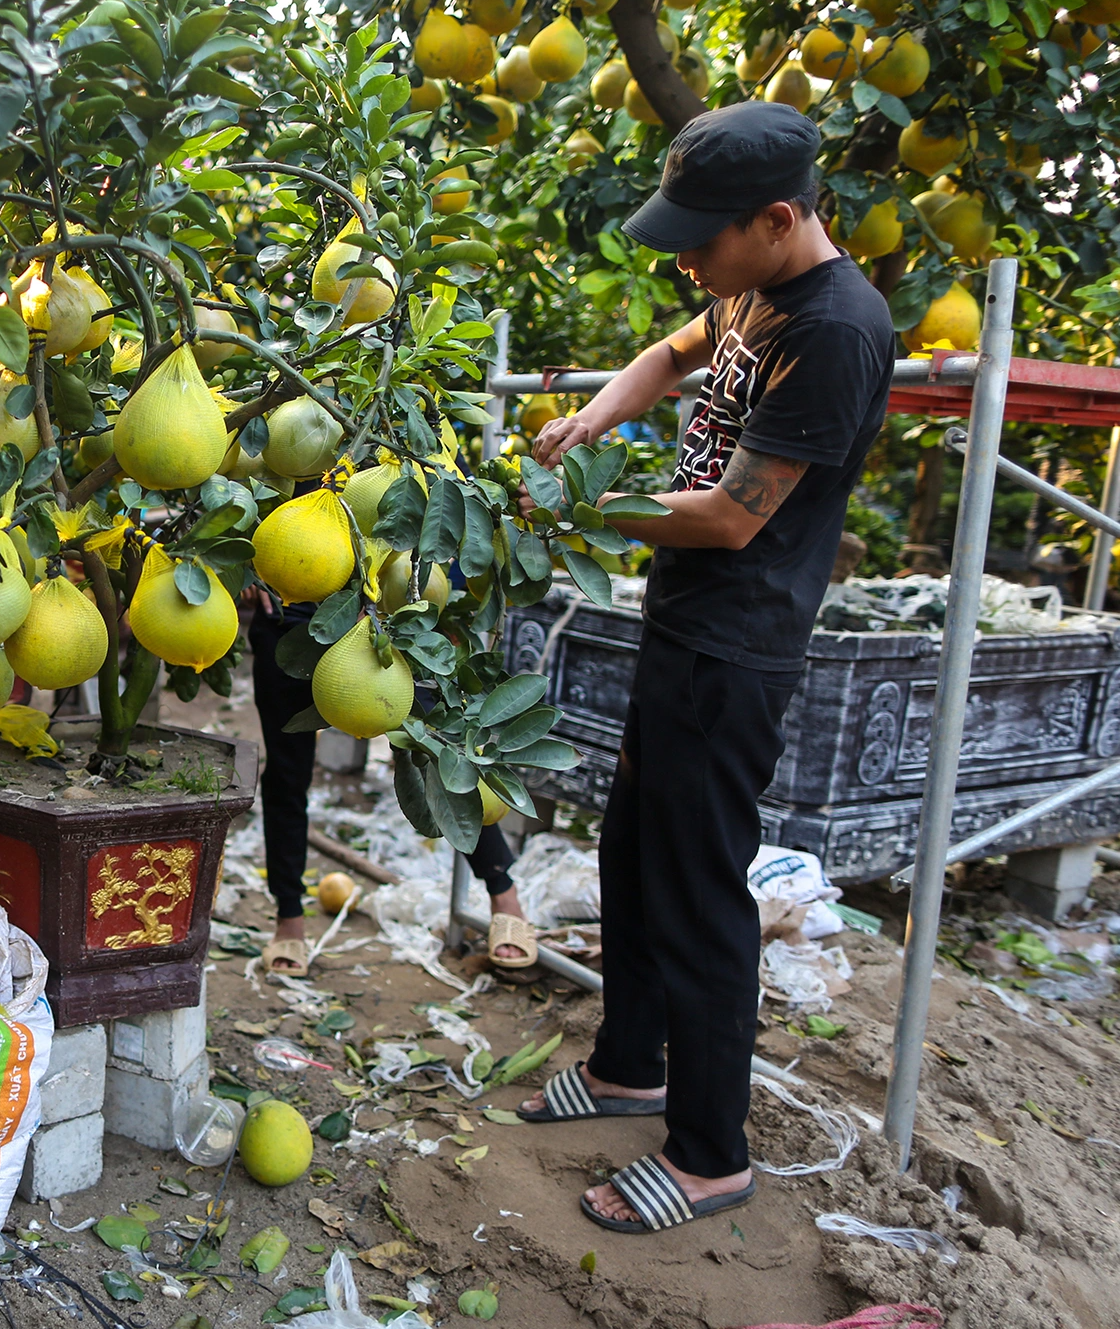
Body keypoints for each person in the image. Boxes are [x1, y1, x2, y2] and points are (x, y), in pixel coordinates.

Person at [516, 104, 896, 1236]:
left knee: (697, 891)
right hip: (681, 627)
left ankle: (707, 1155)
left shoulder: (833, 331)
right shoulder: (747, 285)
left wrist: (573, 506)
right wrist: (591, 422)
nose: (685, 262)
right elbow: (669, 351)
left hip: (734, 648)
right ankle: (631, 1064)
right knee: (631, 853)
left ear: (777, 219)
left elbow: (731, 518)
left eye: (701, 241)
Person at [248, 591, 530, 976]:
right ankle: (289, 919)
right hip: (293, 615)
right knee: (287, 773)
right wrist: (249, 568)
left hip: (391, 627)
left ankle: (504, 895)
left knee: (443, 757)